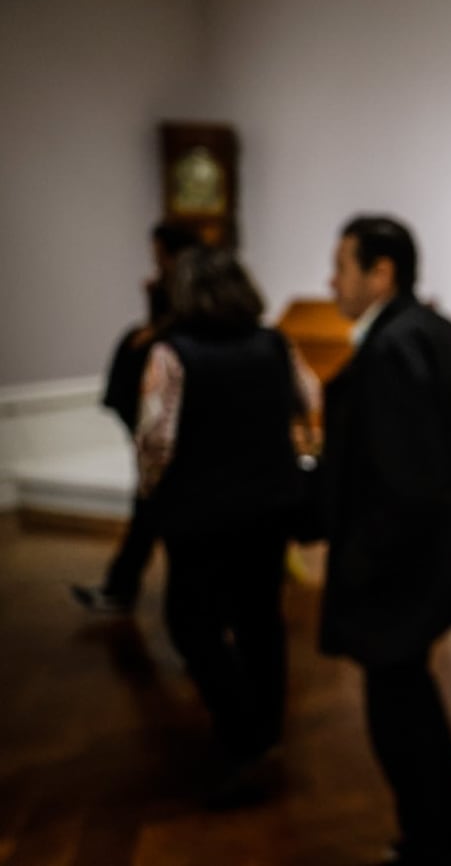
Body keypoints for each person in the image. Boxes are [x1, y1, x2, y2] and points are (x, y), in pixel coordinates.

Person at [318, 214, 451, 864]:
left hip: (399, 572)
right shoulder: (431, 329)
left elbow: (404, 480)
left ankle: (436, 839)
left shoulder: (393, 346)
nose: (331, 280)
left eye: (342, 265)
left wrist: (364, 566)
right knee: (410, 701)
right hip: (428, 563)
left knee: (398, 711)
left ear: (381, 271)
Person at [136, 247, 319, 803]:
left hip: (200, 510)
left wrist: (152, 490)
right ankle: (266, 731)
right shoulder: (274, 343)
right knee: (260, 617)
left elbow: (155, 438)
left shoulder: (173, 354)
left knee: (191, 621)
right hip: (269, 504)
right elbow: (308, 397)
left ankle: (242, 730)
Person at [72, 220, 200, 614]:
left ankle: (137, 593)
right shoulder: (171, 292)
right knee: (152, 510)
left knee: (157, 510)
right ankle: (128, 589)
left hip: (174, 426)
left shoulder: (185, 298)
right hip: (163, 426)